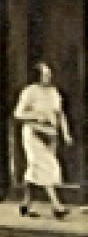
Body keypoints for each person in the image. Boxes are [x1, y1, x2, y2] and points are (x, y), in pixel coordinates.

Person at [13, 61, 75, 220]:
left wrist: (65, 133)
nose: (48, 77)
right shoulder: (29, 92)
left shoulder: (54, 92)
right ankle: (57, 206)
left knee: (37, 169)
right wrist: (36, 116)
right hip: (34, 134)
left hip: (50, 135)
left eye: (49, 74)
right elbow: (18, 113)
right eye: (45, 74)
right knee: (45, 167)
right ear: (37, 76)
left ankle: (26, 204)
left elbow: (60, 115)